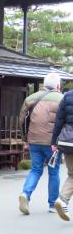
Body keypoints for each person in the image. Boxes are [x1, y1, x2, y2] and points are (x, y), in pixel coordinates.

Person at [18, 73, 63, 215]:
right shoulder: (62, 99)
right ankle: (52, 204)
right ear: (58, 85)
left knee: (36, 170)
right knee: (54, 171)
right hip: (53, 143)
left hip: (34, 140)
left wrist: (25, 138)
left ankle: (26, 194)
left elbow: (21, 120)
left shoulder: (31, 98)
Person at [52, 89, 73, 221]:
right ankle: (63, 200)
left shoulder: (67, 96)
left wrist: (54, 142)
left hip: (68, 141)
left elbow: (58, 121)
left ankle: (62, 200)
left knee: (72, 174)